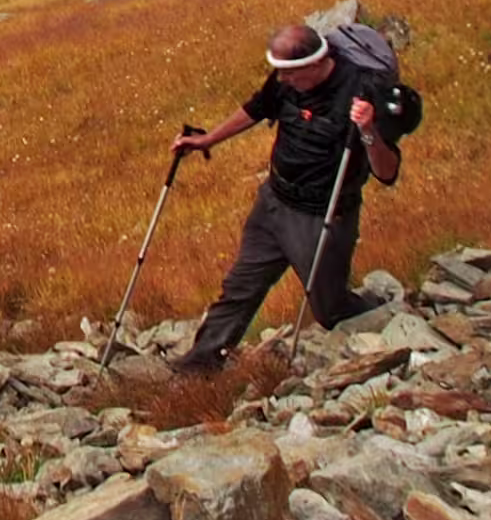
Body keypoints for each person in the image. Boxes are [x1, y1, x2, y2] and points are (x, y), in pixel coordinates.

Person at [173, 20, 408, 372]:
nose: (283, 80)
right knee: (240, 286)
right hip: (273, 201)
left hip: (322, 216)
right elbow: (256, 108)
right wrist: (207, 141)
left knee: (331, 309)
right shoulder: (286, 83)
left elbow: (387, 172)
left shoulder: (361, 93)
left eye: (290, 73)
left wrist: (368, 130)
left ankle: (379, 311)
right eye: (279, 72)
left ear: (316, 63)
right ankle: (201, 363)